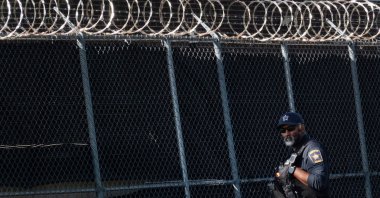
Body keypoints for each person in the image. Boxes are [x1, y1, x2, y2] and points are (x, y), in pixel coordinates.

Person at [270, 112, 330, 198]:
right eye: (283, 131)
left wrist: (292, 170)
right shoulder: (294, 149)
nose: (287, 134)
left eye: (290, 129)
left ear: (301, 128)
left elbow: (319, 182)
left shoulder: (312, 149)